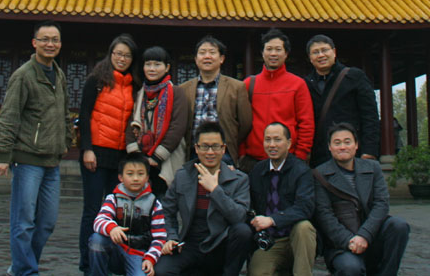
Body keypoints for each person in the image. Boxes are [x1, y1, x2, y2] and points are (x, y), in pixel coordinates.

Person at [0, 20, 74, 276]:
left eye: (55, 40)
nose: (50, 44)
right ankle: (27, 271)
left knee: (47, 222)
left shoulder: (59, 75)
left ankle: (21, 266)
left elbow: (64, 113)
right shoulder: (23, 76)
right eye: (45, 39)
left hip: (52, 160)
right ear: (34, 43)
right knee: (24, 221)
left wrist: (66, 140)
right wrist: (3, 154)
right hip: (28, 159)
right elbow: (9, 115)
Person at [78, 34, 140, 274]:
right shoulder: (96, 80)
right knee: (93, 210)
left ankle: (112, 261)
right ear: (110, 54)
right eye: (118, 54)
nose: (122, 59)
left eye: (127, 55)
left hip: (120, 156)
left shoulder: (134, 85)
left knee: (117, 211)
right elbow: (84, 115)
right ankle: (87, 264)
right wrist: (87, 149)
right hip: (96, 153)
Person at [312, 123, 409, 276]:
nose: (342, 147)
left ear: (356, 145)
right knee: (351, 268)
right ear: (329, 147)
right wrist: (350, 241)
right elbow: (325, 215)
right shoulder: (319, 174)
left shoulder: (373, 167)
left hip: (371, 234)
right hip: (341, 243)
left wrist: (364, 235)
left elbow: (381, 204)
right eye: (337, 143)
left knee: (398, 226)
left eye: (347, 142)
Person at [157, 121, 252, 276]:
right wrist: (171, 237)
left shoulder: (239, 179)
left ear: (223, 149)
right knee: (161, 271)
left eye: (215, 146)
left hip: (219, 244)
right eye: (204, 146)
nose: (210, 152)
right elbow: (166, 210)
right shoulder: (183, 176)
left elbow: (239, 217)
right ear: (196, 148)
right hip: (190, 243)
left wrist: (215, 190)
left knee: (243, 231)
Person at [247, 122, 317, 276]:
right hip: (271, 241)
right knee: (258, 272)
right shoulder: (258, 170)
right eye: (268, 140)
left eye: (277, 139)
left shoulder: (301, 171)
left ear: (289, 143)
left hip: (295, 239)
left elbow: (305, 207)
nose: (272, 145)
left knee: (304, 227)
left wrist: (273, 220)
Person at [240, 28, 315, 171]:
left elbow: (306, 123)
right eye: (269, 49)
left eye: (278, 49)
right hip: (253, 160)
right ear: (262, 52)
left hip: (289, 159)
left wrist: (301, 155)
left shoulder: (297, 84)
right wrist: (242, 153)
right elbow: (240, 123)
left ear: (286, 53)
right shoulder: (249, 84)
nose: (273, 53)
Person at [304, 35, 380, 166]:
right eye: (315, 52)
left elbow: (370, 116)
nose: (321, 55)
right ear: (310, 58)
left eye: (324, 50)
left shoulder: (354, 77)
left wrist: (369, 150)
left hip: (351, 152)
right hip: (319, 155)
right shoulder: (306, 84)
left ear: (334, 52)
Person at [88, 152, 167, 276]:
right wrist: (112, 228)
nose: (135, 178)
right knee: (97, 240)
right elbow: (99, 221)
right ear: (120, 177)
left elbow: (160, 238)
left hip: (139, 254)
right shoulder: (113, 199)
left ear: (147, 177)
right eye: (130, 174)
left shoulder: (154, 204)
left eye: (140, 174)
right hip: (116, 249)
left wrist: (150, 258)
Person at [177, 35, 252, 165]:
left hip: (224, 152)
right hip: (193, 151)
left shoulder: (236, 87)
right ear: (196, 59)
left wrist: (229, 139)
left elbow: (245, 123)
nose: (207, 56)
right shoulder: (183, 89)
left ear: (221, 58)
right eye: (202, 53)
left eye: (212, 52)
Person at [126, 46, 190, 197]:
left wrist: (157, 156)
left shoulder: (176, 93)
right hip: (141, 159)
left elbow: (178, 127)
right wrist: (137, 156)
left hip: (167, 158)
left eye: (157, 64)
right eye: (148, 64)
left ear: (167, 67)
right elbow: (130, 124)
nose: (152, 69)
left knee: (165, 201)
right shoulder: (139, 94)